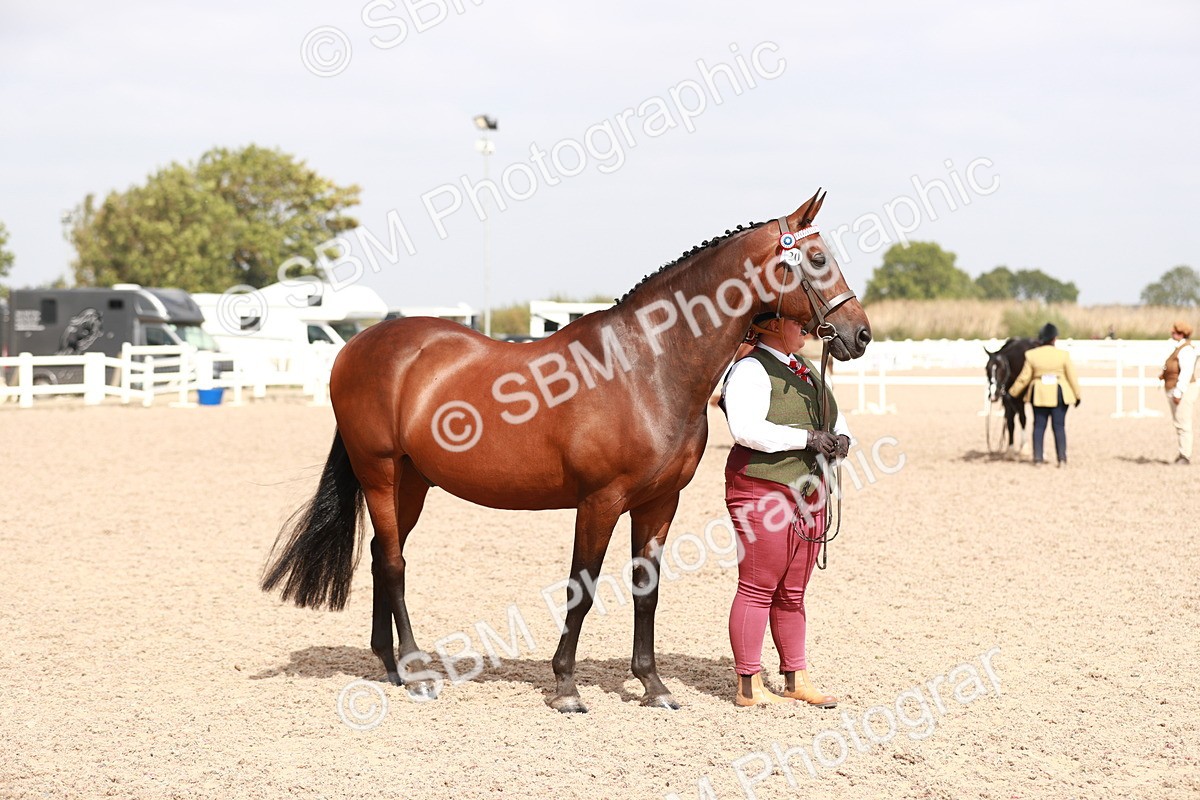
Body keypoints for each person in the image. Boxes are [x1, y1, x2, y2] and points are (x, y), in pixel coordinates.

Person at [720, 311, 852, 707]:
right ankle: (748, 684)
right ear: (772, 326)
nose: (808, 329)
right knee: (758, 586)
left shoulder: (808, 368)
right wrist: (807, 439)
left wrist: (842, 438)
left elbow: (836, 415)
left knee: (794, 590)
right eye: (799, 322)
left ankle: (797, 676)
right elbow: (745, 428)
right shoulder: (750, 369)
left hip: (810, 489)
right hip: (762, 485)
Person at [1009, 323, 1081, 467]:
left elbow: (1024, 378)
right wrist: (1077, 395)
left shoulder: (1032, 355)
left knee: (1039, 426)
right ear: (1055, 338)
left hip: (1039, 393)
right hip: (1060, 393)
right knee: (1059, 426)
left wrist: (1013, 392)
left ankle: (1038, 459)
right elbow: (1071, 376)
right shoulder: (1063, 355)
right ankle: (1061, 458)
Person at [1160, 320, 1198, 465]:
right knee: (1179, 423)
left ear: (1182, 333)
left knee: (1183, 422)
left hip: (1183, 390)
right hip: (1175, 388)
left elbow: (1186, 372)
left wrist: (1179, 392)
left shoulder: (1186, 350)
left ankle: (1185, 455)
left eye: (1175, 331)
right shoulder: (1179, 347)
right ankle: (1183, 452)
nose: (1172, 333)